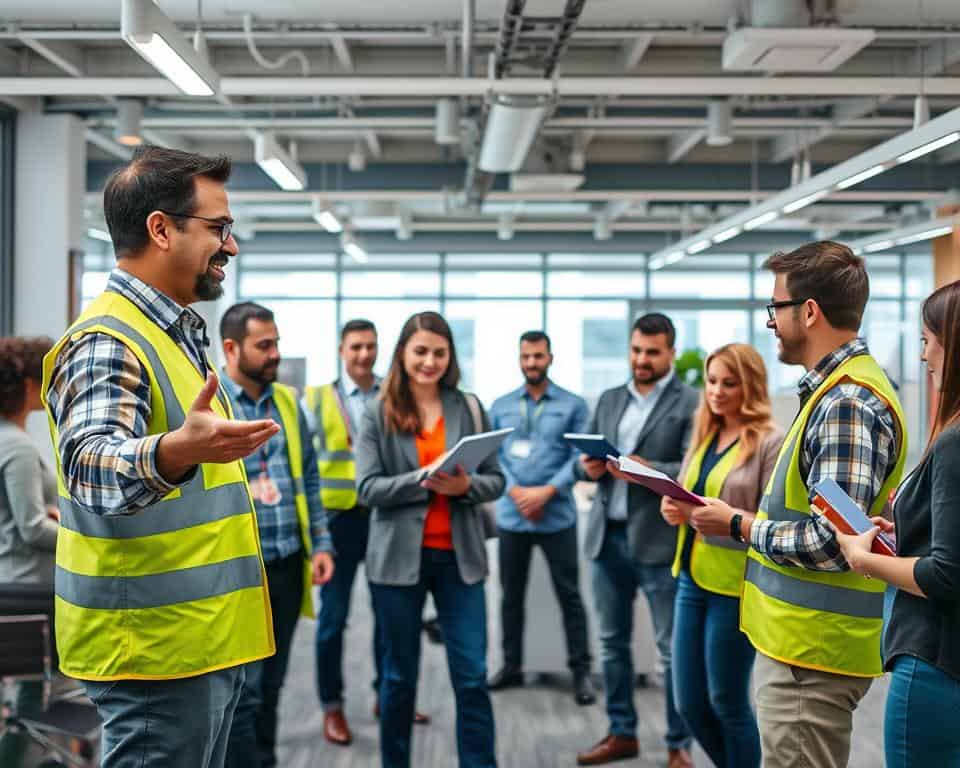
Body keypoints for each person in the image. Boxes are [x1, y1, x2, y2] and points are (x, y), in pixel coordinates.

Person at [42, 145, 279, 768]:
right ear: (160, 229)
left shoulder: (174, 332)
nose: (230, 246)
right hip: (153, 649)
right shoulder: (108, 340)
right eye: (218, 228)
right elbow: (90, 467)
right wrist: (175, 451)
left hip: (200, 641)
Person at [689, 241, 906, 768]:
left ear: (808, 311)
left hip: (814, 655)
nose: (770, 322)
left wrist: (739, 525)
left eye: (775, 308)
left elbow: (835, 542)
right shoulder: (830, 393)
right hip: (802, 648)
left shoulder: (848, 403)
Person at [356, 311, 504, 768]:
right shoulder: (377, 411)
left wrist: (465, 488)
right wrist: (421, 478)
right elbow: (367, 489)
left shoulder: (469, 406)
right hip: (397, 561)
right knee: (398, 680)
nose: (429, 361)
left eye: (439, 353)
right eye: (420, 351)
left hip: (460, 559)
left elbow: (496, 481)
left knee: (472, 677)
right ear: (403, 353)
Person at [832, 279, 960, 767]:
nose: (924, 356)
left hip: (934, 661)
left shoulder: (954, 443)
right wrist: (905, 531)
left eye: (928, 341)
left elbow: (946, 575)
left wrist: (865, 560)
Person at [574, 313, 698, 768]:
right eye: (636, 351)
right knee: (611, 643)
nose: (641, 360)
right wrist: (584, 468)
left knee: (670, 650)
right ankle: (621, 732)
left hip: (658, 540)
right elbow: (585, 460)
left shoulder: (690, 403)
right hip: (606, 538)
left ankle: (677, 743)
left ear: (669, 352)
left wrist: (646, 470)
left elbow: (692, 467)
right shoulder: (609, 399)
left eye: (652, 352)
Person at [219, 302, 335, 768]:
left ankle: (263, 758)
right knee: (243, 690)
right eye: (264, 345)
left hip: (286, 564)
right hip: (237, 571)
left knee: (273, 682)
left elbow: (308, 476)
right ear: (231, 348)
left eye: (277, 343)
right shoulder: (215, 406)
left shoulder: (287, 402)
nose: (275, 355)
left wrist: (321, 543)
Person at [303, 318, 429, 746]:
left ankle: (388, 695)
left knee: (389, 616)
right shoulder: (317, 399)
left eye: (371, 346)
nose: (364, 354)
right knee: (333, 620)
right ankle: (332, 706)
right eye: (356, 346)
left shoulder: (396, 396)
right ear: (341, 349)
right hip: (337, 523)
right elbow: (306, 467)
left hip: (383, 518)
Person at [657, 344, 782, 768]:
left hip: (735, 585)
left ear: (751, 386)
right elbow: (686, 491)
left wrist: (726, 519)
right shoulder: (706, 432)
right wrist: (672, 508)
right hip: (691, 576)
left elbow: (772, 522)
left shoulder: (769, 441)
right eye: (712, 381)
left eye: (730, 383)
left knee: (727, 701)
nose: (717, 391)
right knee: (688, 702)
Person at [486, 330, 594, 705]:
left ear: (550, 357)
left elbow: (579, 457)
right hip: (512, 516)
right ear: (519, 359)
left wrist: (547, 491)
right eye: (526, 356)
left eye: (538, 356)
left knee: (570, 596)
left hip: (556, 515)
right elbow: (493, 456)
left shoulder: (573, 405)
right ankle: (511, 665)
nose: (532, 362)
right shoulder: (499, 405)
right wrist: (515, 490)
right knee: (509, 597)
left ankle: (581, 672)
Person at [0, 335, 58, 767]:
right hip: (26, 589)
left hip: (13, 583)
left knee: (26, 695)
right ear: (25, 385)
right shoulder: (17, 447)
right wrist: (85, 535)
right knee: (31, 698)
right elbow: (33, 530)